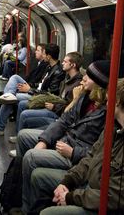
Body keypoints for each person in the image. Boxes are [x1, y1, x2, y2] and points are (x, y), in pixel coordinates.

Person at [37, 78, 124, 215]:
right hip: (92, 188)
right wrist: (68, 181)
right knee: (39, 176)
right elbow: (91, 157)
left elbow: (113, 197)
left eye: (109, 100)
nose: (106, 104)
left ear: (117, 102)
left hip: (112, 208)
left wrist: (71, 197)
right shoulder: (113, 128)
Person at [16, 60, 110, 213]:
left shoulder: (107, 111)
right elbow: (64, 120)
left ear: (99, 83)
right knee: (24, 136)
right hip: (66, 140)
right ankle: (17, 188)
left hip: (73, 152)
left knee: (31, 157)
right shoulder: (84, 96)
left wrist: (73, 152)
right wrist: (44, 140)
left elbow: (98, 151)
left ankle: (26, 208)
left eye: (89, 77)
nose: (84, 79)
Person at [0, 44, 65, 136]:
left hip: (40, 96)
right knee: (15, 78)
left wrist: (30, 89)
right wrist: (30, 86)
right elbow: (40, 84)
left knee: (13, 98)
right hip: (36, 90)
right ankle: (9, 95)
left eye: (44, 53)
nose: (43, 55)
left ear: (49, 56)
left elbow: (50, 94)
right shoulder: (49, 67)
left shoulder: (57, 72)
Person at [10, 52, 84, 145]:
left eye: (65, 62)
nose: (62, 63)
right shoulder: (67, 78)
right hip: (55, 106)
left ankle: (20, 140)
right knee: (23, 106)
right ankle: (20, 138)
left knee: (25, 115)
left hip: (58, 114)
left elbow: (70, 107)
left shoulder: (77, 85)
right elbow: (60, 98)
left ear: (73, 65)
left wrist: (54, 107)